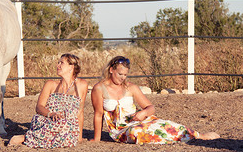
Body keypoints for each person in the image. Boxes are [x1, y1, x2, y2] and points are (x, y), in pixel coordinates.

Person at [91, 56, 219, 144]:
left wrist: (143, 113)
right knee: (136, 132)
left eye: (125, 75)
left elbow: (151, 108)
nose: (123, 78)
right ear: (111, 70)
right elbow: (98, 114)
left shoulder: (131, 87)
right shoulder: (99, 88)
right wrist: (97, 138)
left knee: (168, 125)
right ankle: (182, 138)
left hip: (142, 121)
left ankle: (198, 135)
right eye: (120, 74)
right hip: (121, 130)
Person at [9, 53, 88, 148]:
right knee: (62, 125)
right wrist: (51, 114)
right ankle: (26, 138)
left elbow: (80, 112)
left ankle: (29, 139)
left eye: (61, 63)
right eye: (58, 63)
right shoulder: (50, 84)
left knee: (67, 132)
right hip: (47, 119)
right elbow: (39, 107)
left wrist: (79, 137)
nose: (57, 65)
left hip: (66, 125)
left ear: (71, 67)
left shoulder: (82, 85)